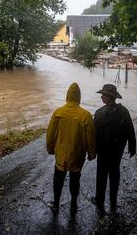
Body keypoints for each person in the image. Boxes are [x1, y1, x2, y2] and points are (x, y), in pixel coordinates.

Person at [46, 82, 96, 213]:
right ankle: (73, 204)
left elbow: (50, 133)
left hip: (61, 154)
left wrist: (50, 148)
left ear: (67, 95)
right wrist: (91, 153)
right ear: (79, 97)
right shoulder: (86, 115)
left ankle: (56, 203)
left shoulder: (58, 112)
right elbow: (90, 137)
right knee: (75, 179)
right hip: (77, 155)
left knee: (58, 179)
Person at [93, 84, 136, 212]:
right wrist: (132, 147)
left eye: (103, 95)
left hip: (103, 151)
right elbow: (130, 130)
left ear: (107, 97)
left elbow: (94, 135)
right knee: (114, 173)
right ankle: (113, 200)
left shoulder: (99, 113)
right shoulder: (124, 111)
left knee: (101, 174)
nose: (101, 96)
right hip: (117, 150)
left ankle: (100, 200)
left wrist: (92, 150)